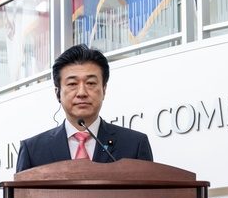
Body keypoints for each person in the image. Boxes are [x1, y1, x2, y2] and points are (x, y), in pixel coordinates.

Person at [15, 44, 153, 171]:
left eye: (91, 83)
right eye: (72, 84)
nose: (82, 93)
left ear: (104, 90)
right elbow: (20, 197)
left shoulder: (134, 144)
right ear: (58, 93)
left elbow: (150, 197)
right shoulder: (32, 150)